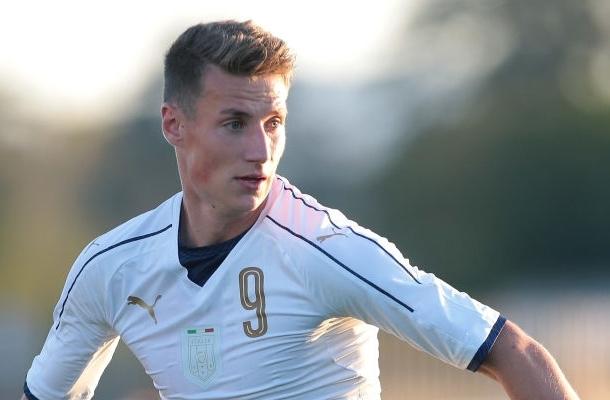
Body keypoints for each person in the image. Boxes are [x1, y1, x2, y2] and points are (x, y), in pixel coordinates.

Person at [22, 20, 579, 400]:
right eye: (235, 123)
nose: (261, 150)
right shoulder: (110, 268)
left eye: (274, 124)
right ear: (174, 124)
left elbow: (515, 351)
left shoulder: (328, 250)